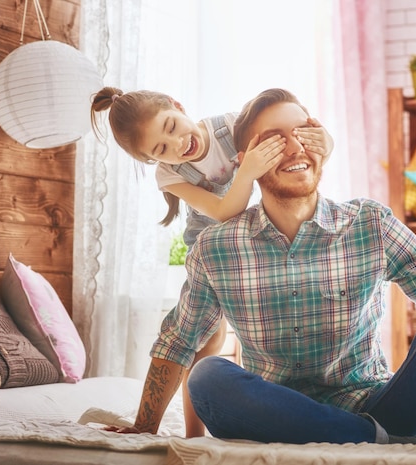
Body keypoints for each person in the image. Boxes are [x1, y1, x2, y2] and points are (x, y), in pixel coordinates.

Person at [111, 88, 416, 455]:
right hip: (275, 411)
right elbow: (178, 341)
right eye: (274, 140)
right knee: (207, 375)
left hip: (381, 401)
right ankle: (383, 439)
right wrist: (144, 425)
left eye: (302, 133)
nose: (294, 148)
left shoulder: (369, 223)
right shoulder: (215, 249)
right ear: (245, 162)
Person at [90, 87, 334, 437]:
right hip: (212, 245)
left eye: (172, 126)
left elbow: (318, 144)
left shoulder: (234, 125)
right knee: (205, 341)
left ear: (178, 105)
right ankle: (192, 434)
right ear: (150, 160)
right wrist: (246, 171)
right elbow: (222, 212)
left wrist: (320, 138)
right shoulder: (170, 176)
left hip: (256, 238)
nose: (176, 144)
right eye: (160, 149)